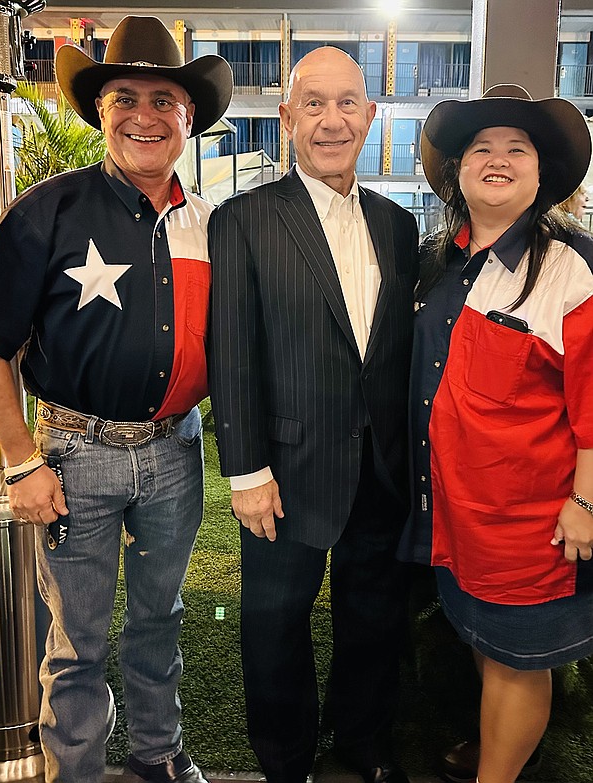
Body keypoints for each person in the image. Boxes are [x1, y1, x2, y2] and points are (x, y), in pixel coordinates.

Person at [0, 16, 232, 783]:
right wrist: (21, 462)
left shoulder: (210, 224)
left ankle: (157, 754)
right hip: (71, 456)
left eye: (164, 100)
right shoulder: (47, 211)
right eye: (125, 96)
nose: (144, 115)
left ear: (189, 118)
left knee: (162, 619)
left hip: (175, 453)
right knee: (77, 636)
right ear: (100, 110)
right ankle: (75, 771)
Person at [207, 46, 419, 783]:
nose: (333, 120)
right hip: (284, 471)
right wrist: (245, 471)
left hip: (380, 471)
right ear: (288, 116)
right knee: (273, 628)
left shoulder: (397, 225)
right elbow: (231, 353)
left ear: (370, 114)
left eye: (348, 103)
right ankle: (287, 761)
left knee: (372, 620)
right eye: (316, 104)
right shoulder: (243, 220)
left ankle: (360, 745)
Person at [400, 84, 593, 783]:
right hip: (455, 511)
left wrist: (587, 502)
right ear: (455, 171)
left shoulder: (570, 267)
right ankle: (497, 747)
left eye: (519, 147)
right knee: (486, 645)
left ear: (544, 176)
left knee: (517, 661)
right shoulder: (439, 262)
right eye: (481, 146)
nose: (498, 158)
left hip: (532, 521)